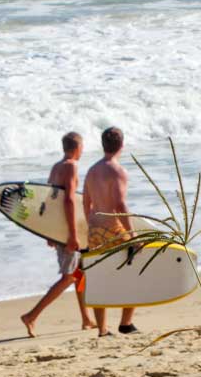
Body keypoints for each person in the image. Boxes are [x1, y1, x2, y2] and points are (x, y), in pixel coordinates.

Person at [20, 132, 96, 337]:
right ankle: (32, 316)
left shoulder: (56, 167)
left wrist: (49, 231)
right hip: (67, 229)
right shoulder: (71, 166)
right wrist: (72, 235)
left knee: (80, 274)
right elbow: (69, 200)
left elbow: (48, 200)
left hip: (59, 228)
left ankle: (87, 319)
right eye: (82, 147)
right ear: (77, 148)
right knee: (69, 277)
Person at [83, 127, 138, 336]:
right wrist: (132, 236)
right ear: (122, 145)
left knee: (99, 276)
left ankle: (102, 329)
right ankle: (125, 323)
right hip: (113, 227)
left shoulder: (92, 170)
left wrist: (91, 223)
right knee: (135, 270)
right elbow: (119, 205)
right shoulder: (118, 171)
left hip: (95, 228)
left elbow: (86, 202)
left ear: (102, 145)